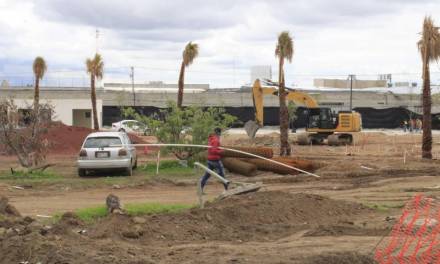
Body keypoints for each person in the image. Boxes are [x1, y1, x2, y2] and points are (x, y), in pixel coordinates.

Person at [200, 127, 229, 193]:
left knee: (206, 175)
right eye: (220, 133)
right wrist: (221, 151)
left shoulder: (211, 139)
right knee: (222, 175)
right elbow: (214, 150)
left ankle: (200, 189)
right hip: (215, 160)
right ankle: (227, 190)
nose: (220, 134)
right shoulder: (216, 140)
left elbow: (212, 149)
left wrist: (220, 148)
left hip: (209, 160)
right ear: (218, 132)